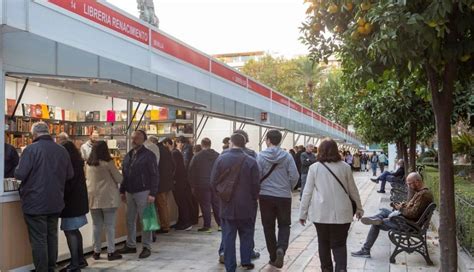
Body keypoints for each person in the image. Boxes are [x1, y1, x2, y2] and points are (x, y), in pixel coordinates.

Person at [14, 122, 74, 271]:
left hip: (35, 202)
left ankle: (42, 270)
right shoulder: (62, 150)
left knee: (39, 239)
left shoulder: (31, 150)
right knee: (51, 236)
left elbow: (20, 174)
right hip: (55, 201)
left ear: (34, 134)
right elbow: (70, 174)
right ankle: (51, 267)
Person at [299, 138, 363, 272]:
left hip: (320, 214)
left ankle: (326, 270)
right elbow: (353, 189)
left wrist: (303, 213)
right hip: (343, 213)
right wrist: (359, 208)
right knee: (339, 244)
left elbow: (307, 193)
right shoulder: (345, 167)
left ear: (320, 151)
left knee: (323, 243)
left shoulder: (314, 168)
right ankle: (341, 269)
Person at [352, 172, 434, 258]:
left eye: (410, 184)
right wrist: (403, 206)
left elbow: (412, 214)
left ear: (417, 182)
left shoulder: (423, 195)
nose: (409, 186)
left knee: (376, 224)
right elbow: (413, 208)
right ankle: (376, 218)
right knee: (384, 211)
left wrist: (400, 209)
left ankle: (366, 249)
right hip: (407, 220)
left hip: (408, 224)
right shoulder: (422, 192)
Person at [211, 133, 260, 272]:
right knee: (246, 233)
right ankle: (246, 260)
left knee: (228, 236)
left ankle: (230, 266)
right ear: (244, 144)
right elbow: (256, 185)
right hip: (247, 205)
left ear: (231, 143)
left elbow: (213, 181)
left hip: (227, 204)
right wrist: (252, 198)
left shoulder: (221, 159)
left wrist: (221, 196)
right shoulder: (251, 161)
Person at [257, 130, 299, 268]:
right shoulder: (287, 156)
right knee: (284, 225)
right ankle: (281, 248)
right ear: (280, 141)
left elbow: (256, 176)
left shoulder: (261, 156)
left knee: (268, 227)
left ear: (268, 140)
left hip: (265, 196)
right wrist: (288, 187)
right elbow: (295, 176)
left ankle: (273, 255)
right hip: (283, 197)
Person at [118, 130, 159, 259]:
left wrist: (152, 193)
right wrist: (122, 190)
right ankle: (131, 245)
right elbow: (125, 173)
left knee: (145, 220)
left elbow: (155, 175)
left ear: (143, 139)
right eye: (133, 137)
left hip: (143, 191)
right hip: (130, 191)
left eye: (137, 138)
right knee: (129, 219)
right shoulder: (129, 155)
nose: (134, 140)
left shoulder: (149, 155)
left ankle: (146, 246)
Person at [86, 141, 123, 261]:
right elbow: (119, 178)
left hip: (93, 198)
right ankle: (111, 252)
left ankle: (96, 251)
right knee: (109, 226)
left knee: (96, 225)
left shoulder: (88, 164)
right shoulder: (108, 163)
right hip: (108, 198)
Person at [60, 141, 89, 271]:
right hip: (79, 201)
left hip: (70, 202)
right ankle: (80, 260)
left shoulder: (68, 164)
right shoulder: (78, 162)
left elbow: (67, 184)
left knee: (70, 231)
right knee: (75, 231)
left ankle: (75, 263)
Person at [188, 137, 220, 232]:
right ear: (210, 144)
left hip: (202, 184)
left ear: (202, 145)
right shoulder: (218, 155)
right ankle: (220, 225)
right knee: (216, 204)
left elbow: (191, 171)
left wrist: (192, 185)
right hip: (215, 184)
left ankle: (207, 226)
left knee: (205, 205)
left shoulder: (197, 156)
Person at [164, 138, 193, 231]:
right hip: (181, 181)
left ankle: (186, 222)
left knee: (181, 202)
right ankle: (181, 222)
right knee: (181, 203)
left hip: (178, 182)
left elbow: (175, 168)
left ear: (167, 144)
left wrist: (172, 178)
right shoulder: (176, 153)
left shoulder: (174, 153)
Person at [155, 137, 176, 234]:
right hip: (167, 182)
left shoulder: (157, 150)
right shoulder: (167, 151)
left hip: (160, 183)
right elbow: (173, 166)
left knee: (162, 205)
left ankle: (165, 226)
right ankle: (165, 224)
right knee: (164, 205)